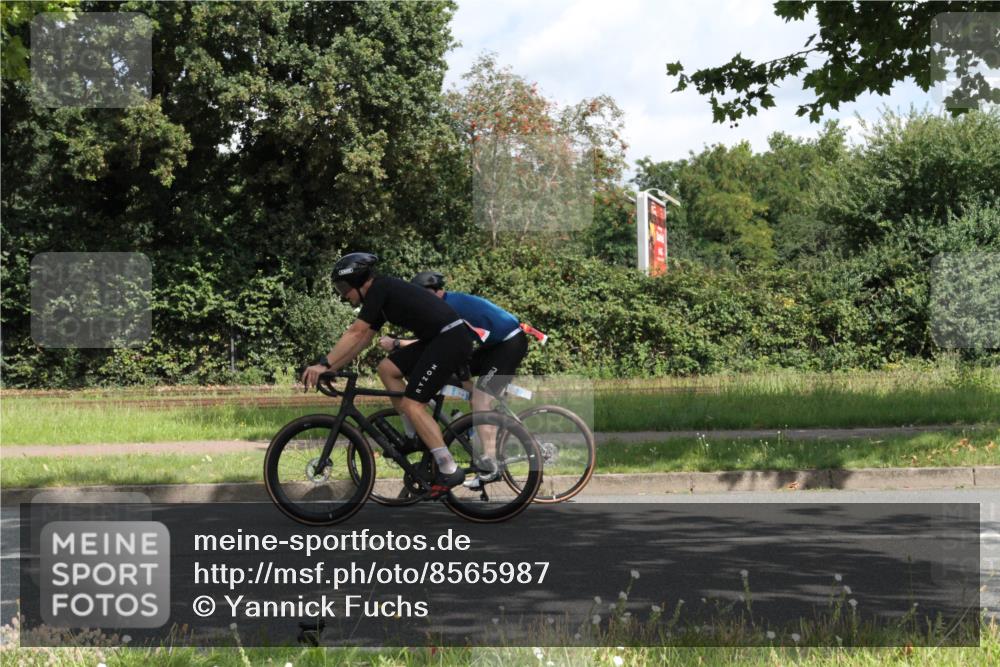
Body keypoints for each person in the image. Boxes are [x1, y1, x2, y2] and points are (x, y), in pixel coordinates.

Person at [300, 253, 473, 497]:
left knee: (413, 405)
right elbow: (362, 340)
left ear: (357, 281)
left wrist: (323, 363)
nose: (343, 295)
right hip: (438, 339)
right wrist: (332, 368)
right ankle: (414, 437)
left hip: (449, 339)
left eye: (343, 288)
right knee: (387, 369)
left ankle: (448, 468)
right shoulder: (381, 294)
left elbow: (355, 332)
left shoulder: (379, 288)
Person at [379, 271, 528, 489]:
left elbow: (437, 341)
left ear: (435, 292)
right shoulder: (445, 303)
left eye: (423, 295)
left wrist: (397, 343)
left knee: (480, 399)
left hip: (509, 344)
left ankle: (490, 463)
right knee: (455, 377)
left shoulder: (450, 307)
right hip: (492, 346)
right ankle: (469, 426)